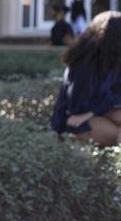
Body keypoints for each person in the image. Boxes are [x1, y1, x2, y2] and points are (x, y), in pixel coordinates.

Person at [50, 11, 121, 147]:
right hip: (73, 121)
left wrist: (93, 112)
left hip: (96, 112)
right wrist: (94, 111)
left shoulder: (114, 63)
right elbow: (77, 107)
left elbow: (117, 96)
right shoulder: (84, 66)